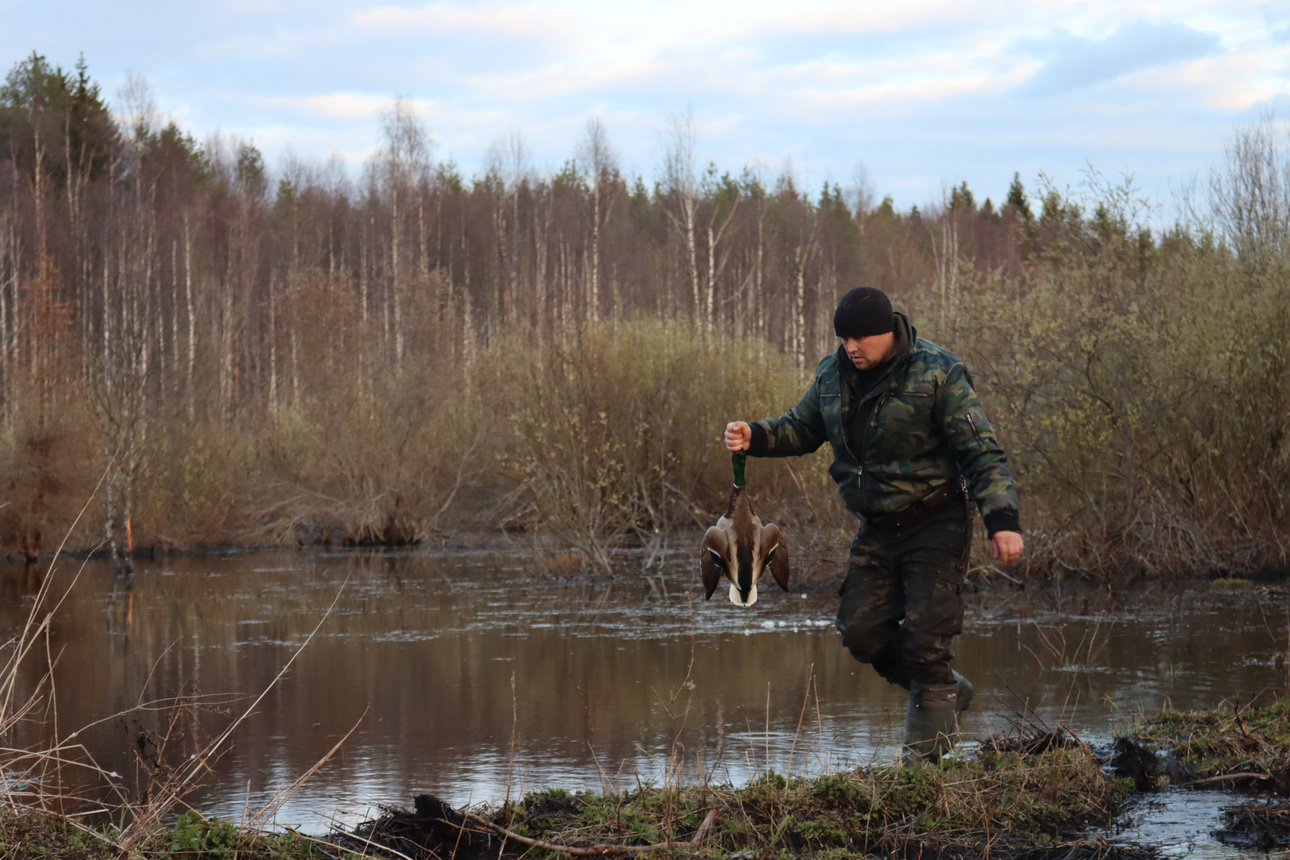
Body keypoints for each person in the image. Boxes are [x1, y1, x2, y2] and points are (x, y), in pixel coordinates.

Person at [723, 286, 1023, 764]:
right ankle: (944, 690)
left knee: (927, 640)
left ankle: (918, 772)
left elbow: (981, 452)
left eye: (860, 338)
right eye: (844, 339)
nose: (851, 347)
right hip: (877, 528)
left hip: (936, 522)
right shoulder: (831, 375)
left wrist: (1002, 520)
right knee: (860, 632)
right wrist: (754, 435)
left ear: (888, 332)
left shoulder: (938, 371)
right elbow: (801, 429)